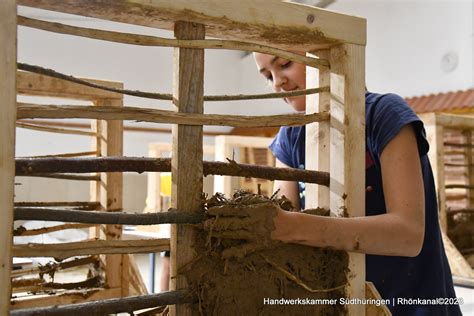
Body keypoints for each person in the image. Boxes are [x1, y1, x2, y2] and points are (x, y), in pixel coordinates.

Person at [252, 52, 462, 315]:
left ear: (323, 53)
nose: (277, 83)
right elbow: (279, 223)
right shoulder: (291, 137)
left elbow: (409, 235)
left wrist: (294, 227)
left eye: (284, 64)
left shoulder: (383, 115)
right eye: (267, 76)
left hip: (414, 304)